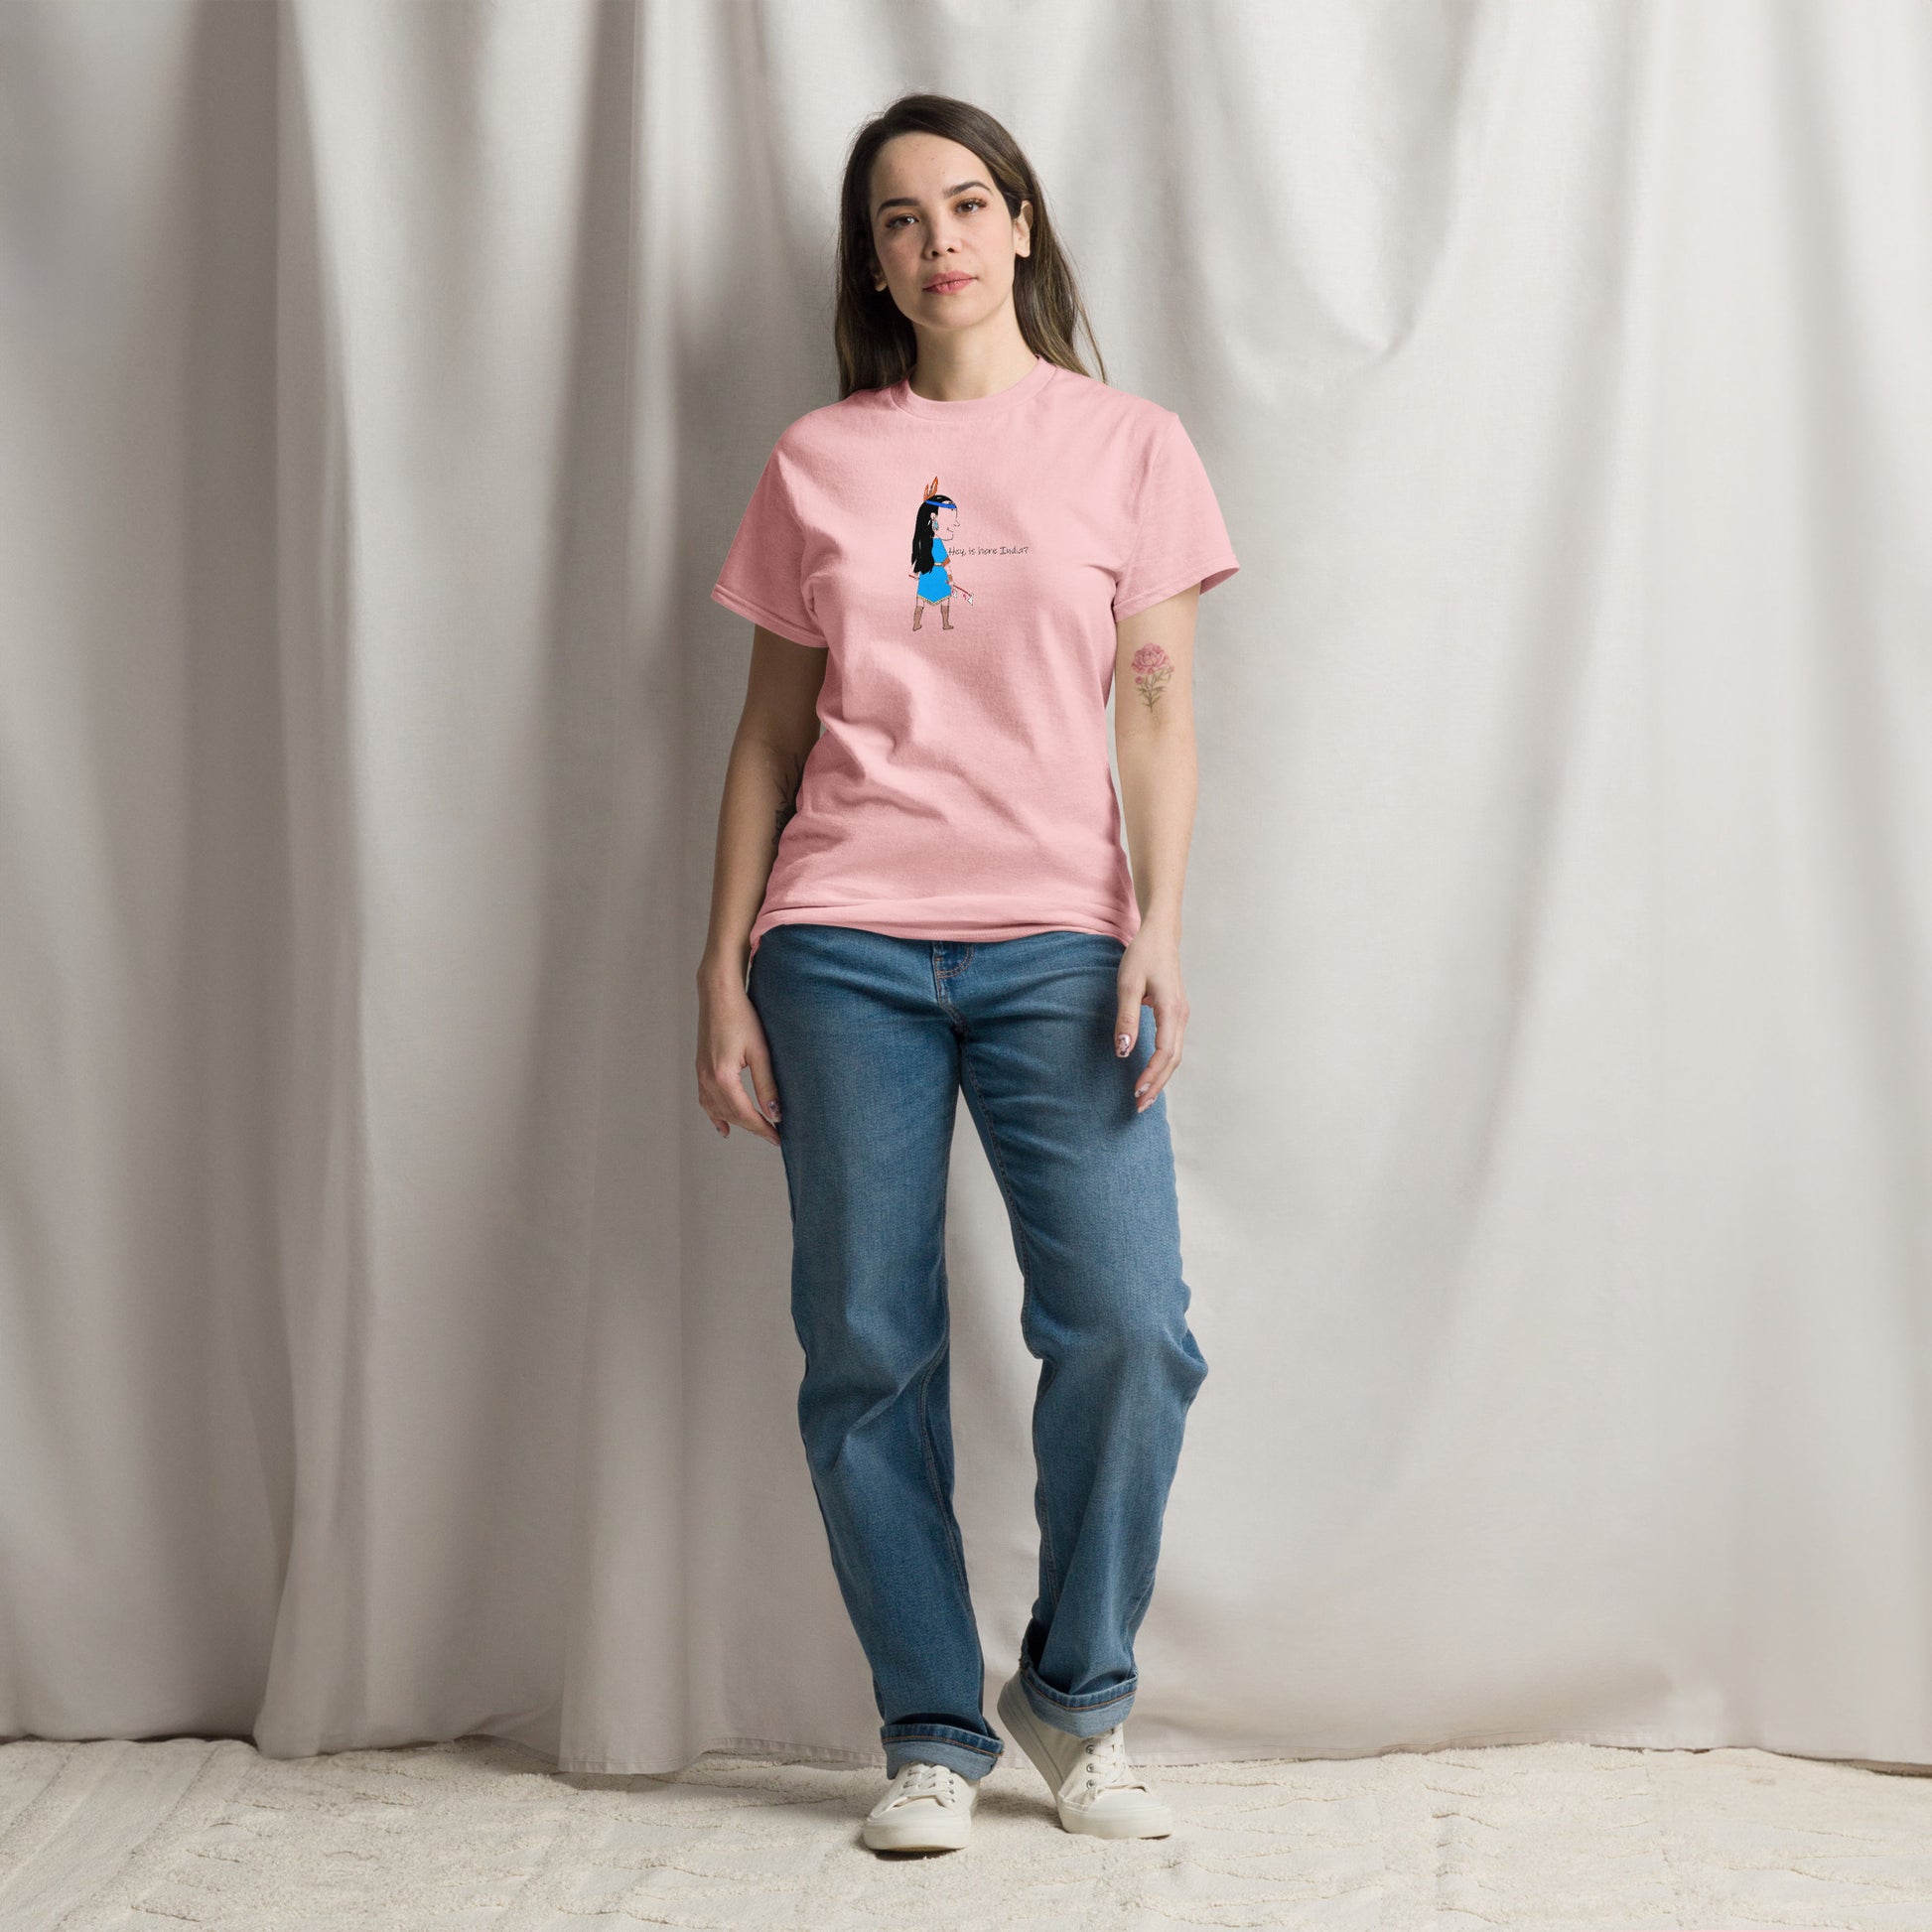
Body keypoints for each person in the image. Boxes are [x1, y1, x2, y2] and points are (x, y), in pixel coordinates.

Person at [695, 91, 1239, 1857]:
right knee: (863, 1342)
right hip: (840, 940)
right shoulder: (819, 460)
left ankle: (1070, 1696)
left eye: (966, 204)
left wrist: (1158, 918)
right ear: (876, 262)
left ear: (1020, 225)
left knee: (1130, 1334)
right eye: (899, 221)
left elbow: (1152, 703)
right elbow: (769, 740)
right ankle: (930, 1722)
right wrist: (722, 967)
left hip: (1057, 941)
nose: (937, 241)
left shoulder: (1129, 446)